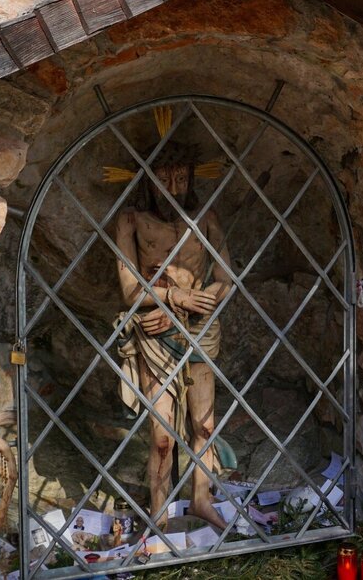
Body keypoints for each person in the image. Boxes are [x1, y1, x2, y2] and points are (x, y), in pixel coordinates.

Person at [113, 141, 231, 531]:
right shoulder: (130, 221)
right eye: (163, 179)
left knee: (205, 426)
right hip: (156, 336)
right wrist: (172, 298)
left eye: (181, 178)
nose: (173, 188)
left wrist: (199, 301)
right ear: (147, 180)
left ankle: (201, 499)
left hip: (199, 330)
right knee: (161, 435)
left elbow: (226, 279)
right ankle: (159, 512)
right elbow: (130, 289)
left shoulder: (207, 218)